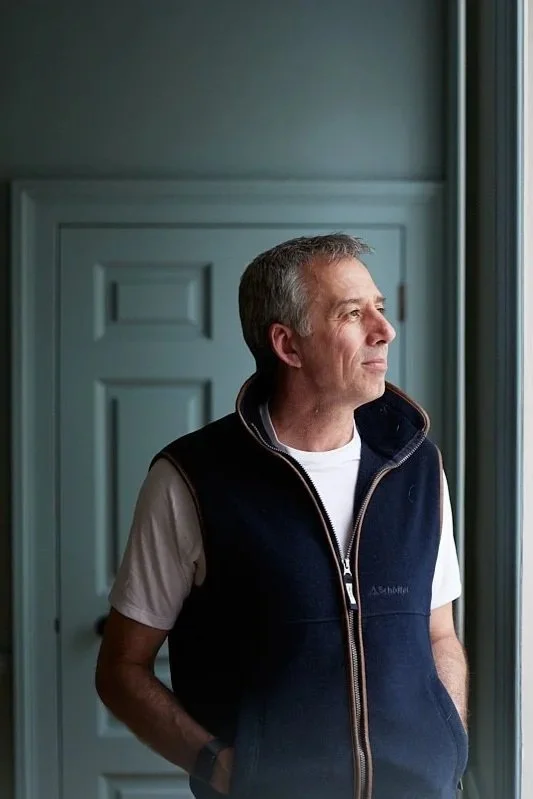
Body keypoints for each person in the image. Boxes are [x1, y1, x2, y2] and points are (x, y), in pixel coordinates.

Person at [95, 233, 468, 799]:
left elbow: (438, 633)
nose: (384, 330)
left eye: (381, 309)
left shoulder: (416, 467)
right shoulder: (192, 480)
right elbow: (121, 668)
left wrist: (448, 744)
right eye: (352, 313)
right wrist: (220, 767)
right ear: (288, 346)